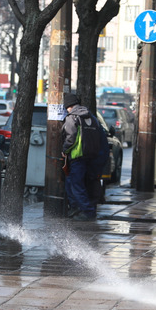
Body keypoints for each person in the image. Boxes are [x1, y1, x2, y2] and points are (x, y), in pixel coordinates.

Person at [61, 92, 99, 221]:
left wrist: (64, 150)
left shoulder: (72, 117)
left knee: (76, 185)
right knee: (71, 183)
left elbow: (70, 138)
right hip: (90, 155)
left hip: (77, 155)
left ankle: (88, 212)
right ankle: (75, 207)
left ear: (69, 106)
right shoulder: (89, 116)